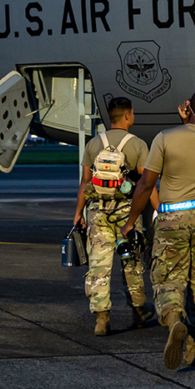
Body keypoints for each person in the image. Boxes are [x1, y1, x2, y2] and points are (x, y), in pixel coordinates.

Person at [121, 90, 195, 370]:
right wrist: (190, 120)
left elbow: (146, 185)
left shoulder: (165, 138)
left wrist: (132, 220)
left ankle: (173, 320)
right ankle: (194, 346)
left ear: (188, 109)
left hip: (173, 216)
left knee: (168, 276)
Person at [73, 97, 159, 336]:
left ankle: (101, 319)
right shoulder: (138, 145)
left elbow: (85, 182)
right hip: (126, 213)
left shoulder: (93, 144)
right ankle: (139, 311)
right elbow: (146, 183)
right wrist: (159, 211)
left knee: (99, 266)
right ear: (128, 115)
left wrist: (78, 213)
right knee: (131, 263)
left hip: (97, 211)